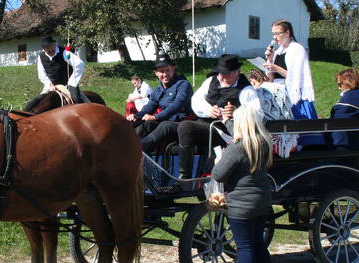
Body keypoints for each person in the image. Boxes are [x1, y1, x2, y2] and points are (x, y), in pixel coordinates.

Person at [211, 105, 277, 263]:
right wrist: (227, 119)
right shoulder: (263, 143)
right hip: (262, 201)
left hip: (241, 205)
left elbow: (218, 175)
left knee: (245, 248)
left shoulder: (236, 148)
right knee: (258, 245)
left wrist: (219, 160)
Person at [175, 54, 262, 187]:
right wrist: (209, 110)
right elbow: (196, 100)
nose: (221, 77)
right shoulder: (212, 81)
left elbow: (257, 115)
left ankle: (184, 179)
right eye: (221, 73)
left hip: (226, 133)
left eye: (226, 74)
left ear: (237, 72)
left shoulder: (246, 90)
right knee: (166, 127)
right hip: (204, 125)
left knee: (185, 126)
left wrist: (236, 113)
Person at [127, 53, 193, 154]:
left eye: (167, 70)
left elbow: (177, 105)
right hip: (163, 122)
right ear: (156, 73)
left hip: (181, 124)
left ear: (173, 70)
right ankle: (126, 144)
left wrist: (156, 117)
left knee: (165, 125)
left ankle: (138, 149)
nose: (165, 74)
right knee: (142, 124)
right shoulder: (158, 90)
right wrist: (136, 116)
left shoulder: (183, 85)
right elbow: (150, 106)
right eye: (161, 71)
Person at [264, 19, 318, 120]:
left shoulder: (297, 49)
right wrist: (269, 59)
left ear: (287, 32)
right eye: (273, 34)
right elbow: (270, 79)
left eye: (277, 33)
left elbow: (296, 77)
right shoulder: (277, 52)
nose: (275, 37)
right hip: (278, 97)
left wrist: (277, 68)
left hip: (294, 97)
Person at [246, 69, 297, 158]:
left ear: (252, 81)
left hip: (270, 147)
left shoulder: (257, 93)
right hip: (291, 143)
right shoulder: (281, 88)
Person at [37, 36, 85, 103]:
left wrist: (72, 82)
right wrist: (49, 84)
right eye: (47, 48)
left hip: (68, 84)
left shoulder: (64, 53)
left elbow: (79, 64)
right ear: (43, 48)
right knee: (38, 103)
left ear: (54, 44)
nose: (50, 49)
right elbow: (41, 74)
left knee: (76, 101)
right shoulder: (41, 57)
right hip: (51, 86)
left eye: (51, 46)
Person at [329, 68, 359, 150]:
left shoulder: (347, 101)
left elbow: (337, 125)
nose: (339, 88)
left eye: (340, 84)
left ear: (348, 82)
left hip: (346, 147)